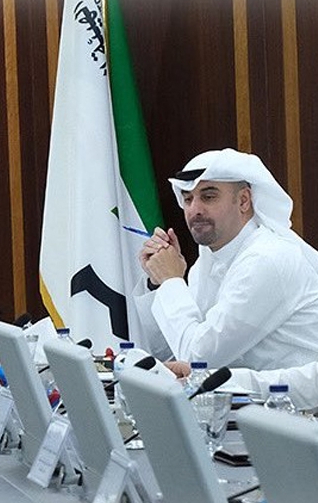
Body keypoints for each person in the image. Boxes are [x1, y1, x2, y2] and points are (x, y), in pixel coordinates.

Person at [135, 149, 318, 375]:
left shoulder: (267, 258)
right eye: (188, 199)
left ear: (243, 201)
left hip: (287, 398)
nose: (195, 210)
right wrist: (158, 282)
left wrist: (171, 280)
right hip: (234, 395)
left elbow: (198, 360)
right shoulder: (206, 262)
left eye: (208, 197)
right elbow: (169, 354)